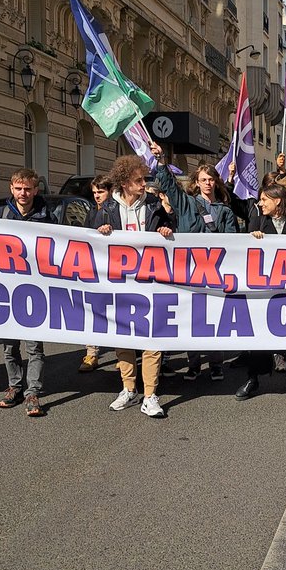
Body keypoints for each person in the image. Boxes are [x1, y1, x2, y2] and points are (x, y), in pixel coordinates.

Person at [96, 155, 174, 418]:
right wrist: (100, 230)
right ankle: (129, 388)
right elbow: (87, 242)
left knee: (152, 336)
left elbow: (170, 227)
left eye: (144, 179)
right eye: (138, 180)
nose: (144, 184)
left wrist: (165, 230)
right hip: (119, 282)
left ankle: (150, 394)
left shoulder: (153, 204)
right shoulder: (107, 208)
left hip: (150, 281)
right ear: (124, 182)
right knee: (123, 337)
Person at [149, 144, 234, 381]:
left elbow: (232, 245)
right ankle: (194, 363)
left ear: (216, 182)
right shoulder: (186, 203)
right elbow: (167, 185)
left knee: (214, 319)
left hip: (215, 272)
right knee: (191, 319)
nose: (208, 183)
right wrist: (161, 160)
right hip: (188, 272)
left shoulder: (224, 211)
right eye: (203, 179)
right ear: (196, 182)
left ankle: (216, 363)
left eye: (211, 179)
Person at [235, 185, 286, 403]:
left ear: (277, 201)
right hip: (264, 291)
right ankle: (254, 378)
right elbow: (245, 254)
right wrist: (252, 239)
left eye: (264, 199)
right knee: (259, 334)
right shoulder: (258, 222)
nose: (260, 204)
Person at [0, 169, 56, 417]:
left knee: (34, 346)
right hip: (6, 289)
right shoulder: (0, 215)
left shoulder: (47, 216)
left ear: (36, 190)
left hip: (35, 289)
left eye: (28, 189)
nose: (23, 193)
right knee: (9, 347)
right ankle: (14, 387)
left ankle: (33, 392)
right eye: (18, 188)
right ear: (11, 188)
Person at [78, 176, 113, 373]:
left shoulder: (115, 210)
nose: (97, 196)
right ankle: (91, 352)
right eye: (94, 193)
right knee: (92, 310)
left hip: (114, 268)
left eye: (101, 192)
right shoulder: (92, 211)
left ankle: (122, 353)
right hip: (95, 268)